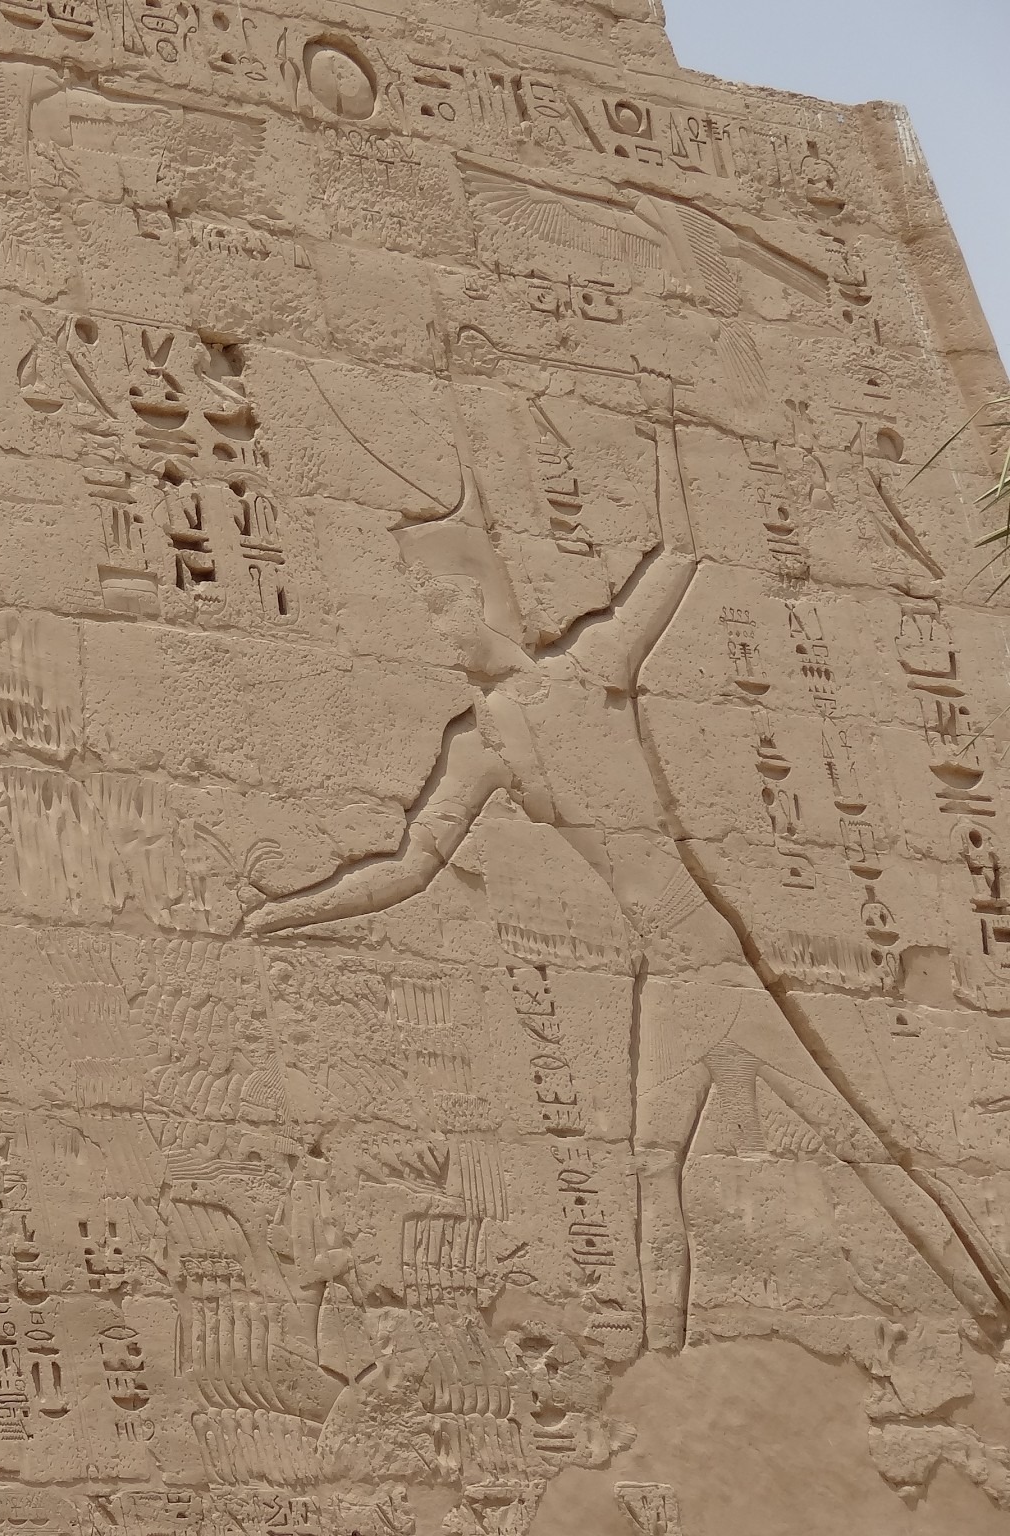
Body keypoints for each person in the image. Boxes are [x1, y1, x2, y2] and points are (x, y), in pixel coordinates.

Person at [246, 369, 1010, 1350]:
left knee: (840, 1143)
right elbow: (409, 868)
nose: (434, 632)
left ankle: (980, 1300)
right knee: (661, 1164)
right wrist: (291, 911)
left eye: (439, 610)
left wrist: (666, 436)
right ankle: (666, 1354)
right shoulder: (484, 745)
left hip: (709, 959)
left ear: (478, 606)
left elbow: (678, 556)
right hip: (673, 969)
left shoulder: (587, 672)